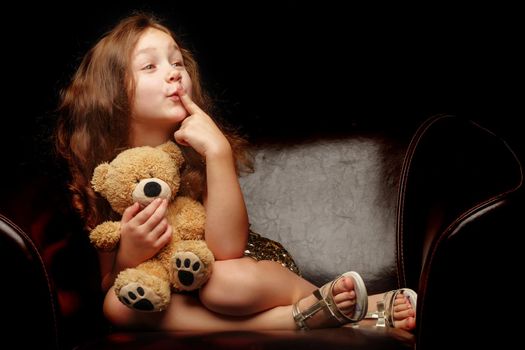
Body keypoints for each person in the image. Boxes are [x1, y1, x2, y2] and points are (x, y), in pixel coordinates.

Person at [55, 12, 416, 332]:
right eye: (150, 66)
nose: (174, 74)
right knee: (117, 306)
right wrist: (130, 254)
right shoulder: (102, 181)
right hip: (181, 294)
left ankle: (352, 306)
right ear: (112, 94)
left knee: (221, 283)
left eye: (177, 62)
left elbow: (226, 250)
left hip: (245, 270)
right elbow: (112, 281)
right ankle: (297, 320)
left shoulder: (198, 153)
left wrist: (218, 152)